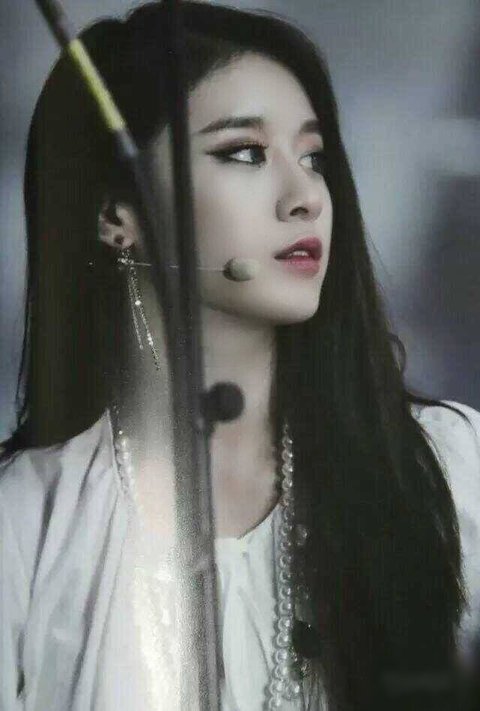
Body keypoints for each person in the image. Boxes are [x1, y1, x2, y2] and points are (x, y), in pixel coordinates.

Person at [1, 2, 479, 710]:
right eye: (245, 153)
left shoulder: (452, 469)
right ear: (116, 215)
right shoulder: (27, 520)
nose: (305, 197)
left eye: (313, 158)